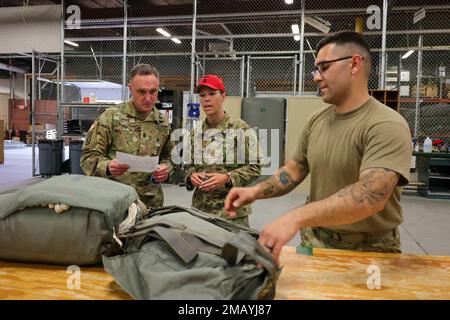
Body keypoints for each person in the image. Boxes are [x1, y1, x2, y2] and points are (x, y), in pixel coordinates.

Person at [224, 31, 412, 264]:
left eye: (324, 67)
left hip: (369, 250)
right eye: (315, 69)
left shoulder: (386, 124)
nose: (316, 77)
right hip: (315, 240)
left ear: (354, 64)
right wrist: (253, 192)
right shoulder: (317, 120)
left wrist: (295, 217)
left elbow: (370, 195)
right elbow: (292, 171)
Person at [80, 64, 174, 209]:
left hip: (151, 204)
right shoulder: (111, 117)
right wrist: (108, 167)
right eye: (141, 92)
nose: (148, 98)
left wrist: (166, 169)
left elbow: (168, 157)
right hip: (115, 202)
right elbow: (88, 158)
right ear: (130, 88)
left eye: (153, 92)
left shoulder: (162, 122)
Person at [184, 74, 261, 226]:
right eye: (202, 95)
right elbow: (188, 164)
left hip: (232, 213)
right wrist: (191, 175)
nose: (206, 99)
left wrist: (227, 178)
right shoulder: (196, 133)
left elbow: (255, 167)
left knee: (232, 250)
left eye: (212, 94)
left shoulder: (241, 129)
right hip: (201, 211)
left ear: (223, 96)